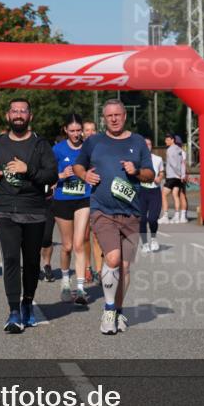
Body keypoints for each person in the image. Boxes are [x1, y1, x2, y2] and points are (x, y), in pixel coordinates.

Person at [73, 99, 155, 335]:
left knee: (125, 267)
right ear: (104, 118)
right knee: (112, 258)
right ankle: (108, 310)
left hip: (131, 212)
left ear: (125, 116)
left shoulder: (137, 142)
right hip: (103, 210)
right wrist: (84, 176)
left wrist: (136, 171)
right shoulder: (94, 141)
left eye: (118, 115)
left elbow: (150, 175)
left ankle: (118, 309)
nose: (114, 119)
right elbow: (79, 166)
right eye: (109, 116)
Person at [0, 98, 58, 333]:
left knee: (32, 261)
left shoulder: (40, 144)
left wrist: (29, 170)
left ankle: (27, 303)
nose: (18, 115)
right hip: (5, 208)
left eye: (23, 111)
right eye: (14, 111)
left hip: (34, 209)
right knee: (12, 258)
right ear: (8, 115)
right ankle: (14, 310)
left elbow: (51, 175)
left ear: (30, 116)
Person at [52, 114, 93, 304]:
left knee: (79, 243)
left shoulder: (89, 148)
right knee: (67, 246)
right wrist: (61, 175)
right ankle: (66, 282)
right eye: (72, 131)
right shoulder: (57, 149)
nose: (76, 134)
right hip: (62, 199)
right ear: (65, 130)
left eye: (79, 130)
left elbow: (96, 168)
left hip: (83, 198)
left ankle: (81, 288)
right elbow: (49, 175)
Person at [83, 120, 103, 282]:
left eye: (92, 130)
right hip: (80, 198)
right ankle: (87, 266)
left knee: (96, 235)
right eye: (87, 130)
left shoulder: (102, 150)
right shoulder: (79, 150)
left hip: (97, 196)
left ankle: (99, 269)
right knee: (83, 236)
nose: (90, 133)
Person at [139, 137, 166, 254]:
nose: (147, 146)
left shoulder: (158, 159)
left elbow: (161, 172)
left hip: (154, 191)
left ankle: (154, 239)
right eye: (145, 144)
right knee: (142, 219)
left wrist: (159, 178)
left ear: (151, 146)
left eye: (149, 144)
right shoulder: (137, 159)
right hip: (141, 190)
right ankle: (145, 243)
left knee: (152, 218)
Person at [163, 134, 188, 223]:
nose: (165, 141)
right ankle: (177, 216)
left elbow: (173, 164)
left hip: (172, 176)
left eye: (167, 139)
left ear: (173, 140)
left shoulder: (170, 150)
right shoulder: (181, 150)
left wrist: (179, 174)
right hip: (179, 176)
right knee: (176, 195)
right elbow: (183, 164)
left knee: (163, 194)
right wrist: (182, 174)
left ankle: (165, 216)